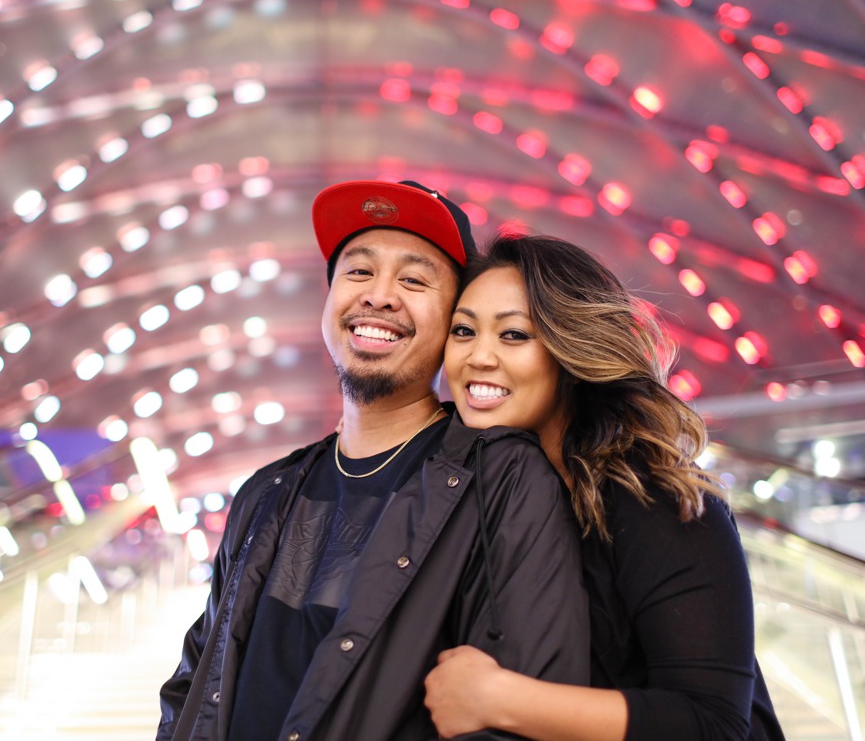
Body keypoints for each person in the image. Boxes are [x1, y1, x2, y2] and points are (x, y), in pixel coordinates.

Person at [156, 183, 590, 741]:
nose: (380, 296)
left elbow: (520, 712)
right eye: (358, 272)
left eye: (414, 279)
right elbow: (193, 687)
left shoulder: (500, 478)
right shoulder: (268, 493)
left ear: (457, 321)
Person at [425, 234, 784, 741]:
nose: (477, 357)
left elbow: (712, 724)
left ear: (569, 350)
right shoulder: (484, 501)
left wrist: (496, 699)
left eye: (513, 335)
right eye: (463, 331)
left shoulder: (652, 497)